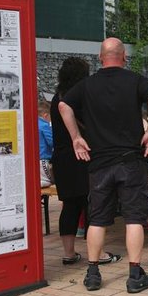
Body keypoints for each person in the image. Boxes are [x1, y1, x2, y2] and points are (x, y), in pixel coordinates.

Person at [59, 38, 148, 293]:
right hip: (130, 160)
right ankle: (135, 274)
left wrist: (76, 138)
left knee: (97, 218)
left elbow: (63, 105)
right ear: (124, 56)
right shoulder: (135, 80)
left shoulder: (87, 85)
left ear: (100, 57)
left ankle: (93, 273)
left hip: (100, 162)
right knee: (134, 218)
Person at [50, 57, 109, 267]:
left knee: (69, 206)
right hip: (83, 156)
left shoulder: (57, 99)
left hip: (62, 159)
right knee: (92, 205)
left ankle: (69, 253)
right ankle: (99, 253)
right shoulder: (83, 97)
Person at [37, 100, 54, 188]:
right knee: (46, 181)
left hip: (35, 159)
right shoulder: (44, 125)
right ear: (46, 115)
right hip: (43, 159)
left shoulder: (33, 123)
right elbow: (52, 142)